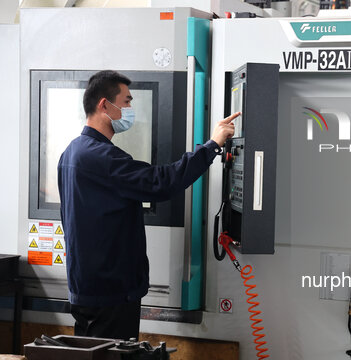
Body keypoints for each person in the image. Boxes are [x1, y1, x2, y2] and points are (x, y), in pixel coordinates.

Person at [57, 70, 239, 340]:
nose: (130, 109)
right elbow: (161, 183)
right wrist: (211, 146)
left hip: (89, 286)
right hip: (110, 292)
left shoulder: (72, 152)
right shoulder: (101, 157)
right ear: (104, 105)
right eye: (127, 101)